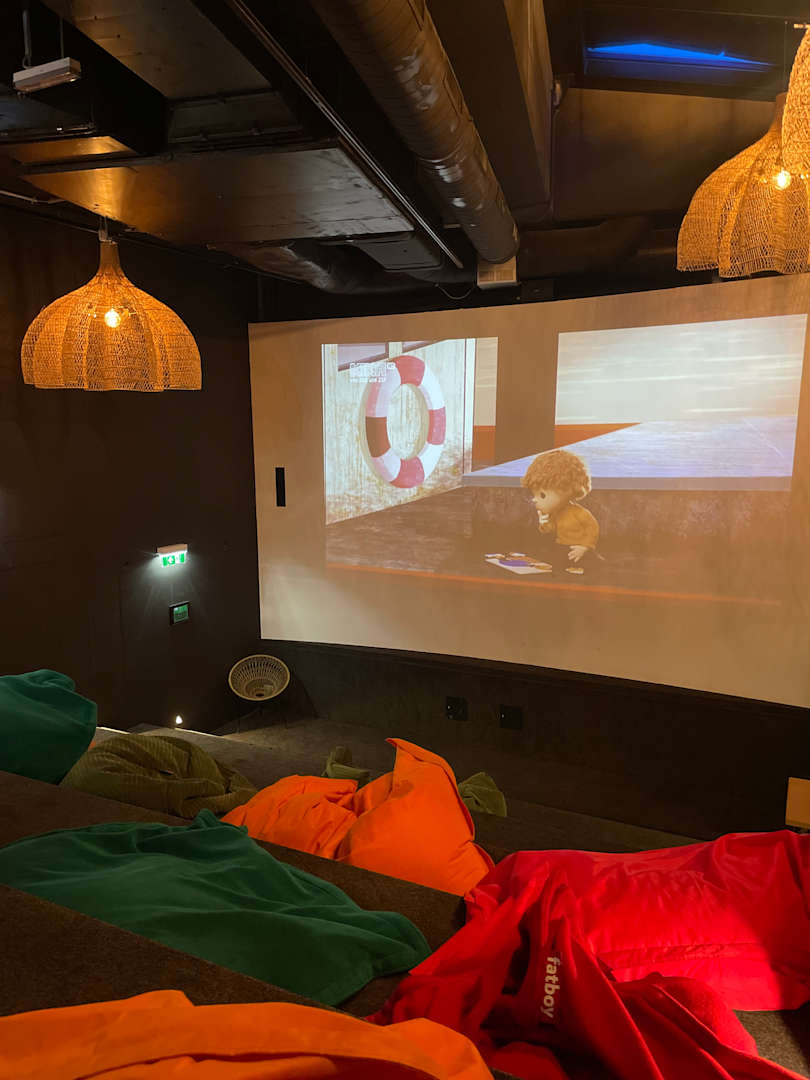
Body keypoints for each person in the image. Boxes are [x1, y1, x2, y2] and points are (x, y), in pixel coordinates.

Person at [520, 448, 601, 575]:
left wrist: (585, 547)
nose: (534, 500)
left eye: (542, 495)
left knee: (585, 565)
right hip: (561, 547)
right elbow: (551, 529)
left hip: (578, 548)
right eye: (534, 494)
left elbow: (592, 530)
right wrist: (544, 523)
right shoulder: (555, 513)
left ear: (566, 489)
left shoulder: (580, 513)